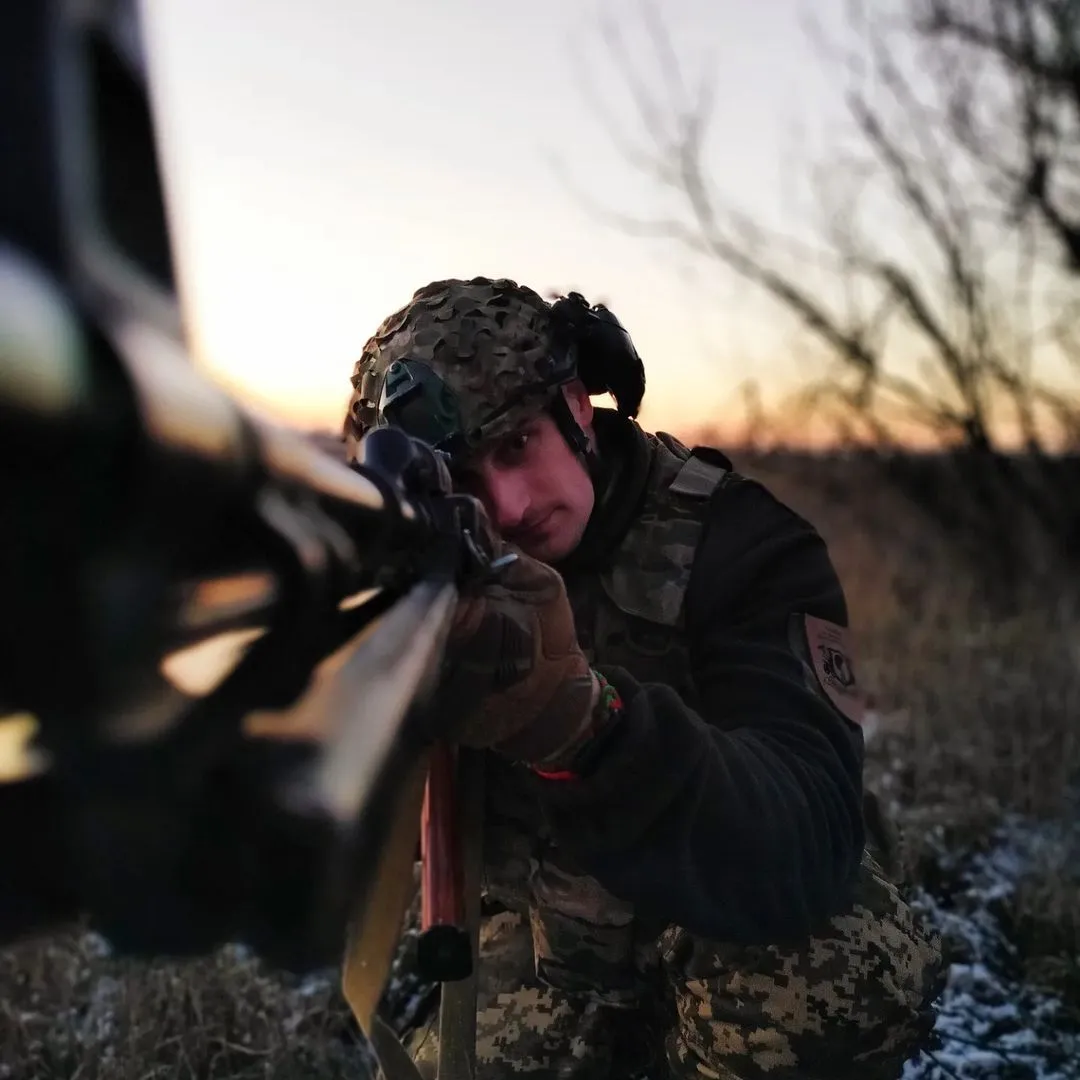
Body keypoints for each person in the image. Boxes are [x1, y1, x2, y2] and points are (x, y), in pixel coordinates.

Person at [343, 277, 944, 1080]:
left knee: (845, 976)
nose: (510, 504)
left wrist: (582, 728)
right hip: (545, 939)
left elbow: (804, 838)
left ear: (577, 404)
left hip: (732, 941)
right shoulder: (425, 573)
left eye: (517, 444)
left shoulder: (744, 542)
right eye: (470, 480)